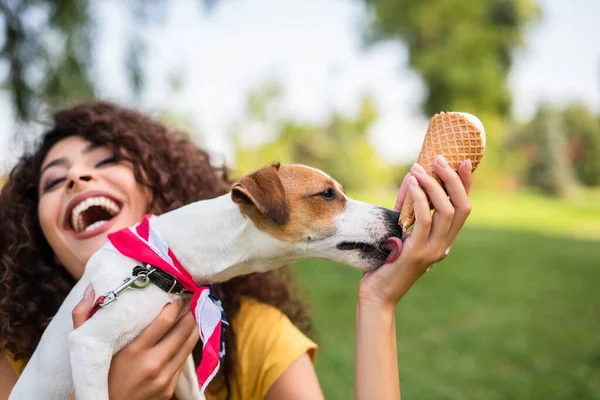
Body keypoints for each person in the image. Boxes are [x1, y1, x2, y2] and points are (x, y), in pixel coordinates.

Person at [0, 100, 473, 400]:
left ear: (158, 191)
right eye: (55, 179)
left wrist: (379, 302)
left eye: (104, 162)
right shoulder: (9, 351)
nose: (79, 178)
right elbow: (87, 346)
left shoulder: (250, 333)